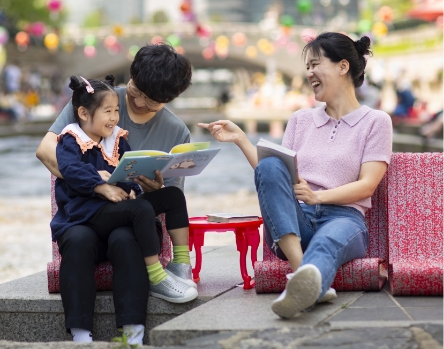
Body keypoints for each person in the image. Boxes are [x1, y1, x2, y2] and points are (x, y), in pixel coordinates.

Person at [198, 33, 392, 319]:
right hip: (295, 223)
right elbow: (273, 176)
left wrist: (318, 196)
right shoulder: (300, 120)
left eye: (316, 64)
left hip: (345, 219)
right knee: (270, 165)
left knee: (327, 242)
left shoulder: (376, 121)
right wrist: (241, 139)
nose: (309, 73)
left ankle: (302, 289)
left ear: (342, 67)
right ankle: (305, 277)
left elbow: (367, 185)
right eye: (307, 66)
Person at [36, 44, 195, 344]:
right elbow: (47, 150)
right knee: (79, 239)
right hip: (84, 216)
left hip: (130, 217)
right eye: (134, 89)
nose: (135, 101)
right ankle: (80, 335)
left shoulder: (175, 130)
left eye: (150, 100)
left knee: (126, 237)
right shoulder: (95, 99)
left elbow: (166, 193)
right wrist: (97, 183)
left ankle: (135, 331)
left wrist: (148, 187)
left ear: (168, 99)